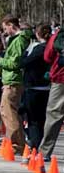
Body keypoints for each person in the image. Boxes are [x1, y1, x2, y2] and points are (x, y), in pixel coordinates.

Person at [0, 15, 31, 154]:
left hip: (14, 81)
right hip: (10, 80)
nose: (4, 31)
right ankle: (17, 142)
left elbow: (15, 63)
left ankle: (16, 145)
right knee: (6, 111)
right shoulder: (15, 40)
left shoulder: (19, 41)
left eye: (5, 27)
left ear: (10, 25)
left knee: (9, 113)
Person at [21, 24, 51, 150]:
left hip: (34, 88)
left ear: (38, 34)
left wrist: (27, 51)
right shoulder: (51, 48)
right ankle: (36, 144)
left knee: (33, 120)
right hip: (46, 87)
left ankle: (34, 145)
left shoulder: (39, 49)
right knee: (40, 120)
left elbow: (23, 63)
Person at [38, 27, 64, 161]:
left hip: (60, 80)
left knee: (54, 115)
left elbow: (47, 57)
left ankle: (44, 152)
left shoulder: (58, 36)